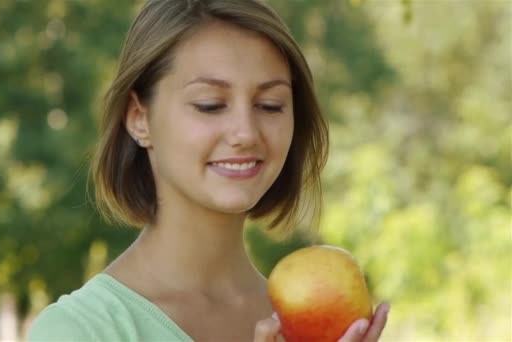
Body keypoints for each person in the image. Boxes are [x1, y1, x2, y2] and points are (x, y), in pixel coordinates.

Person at [28, 0, 389, 341]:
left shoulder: (309, 322)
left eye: (270, 105)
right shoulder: (80, 331)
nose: (246, 133)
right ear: (139, 118)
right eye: (210, 105)